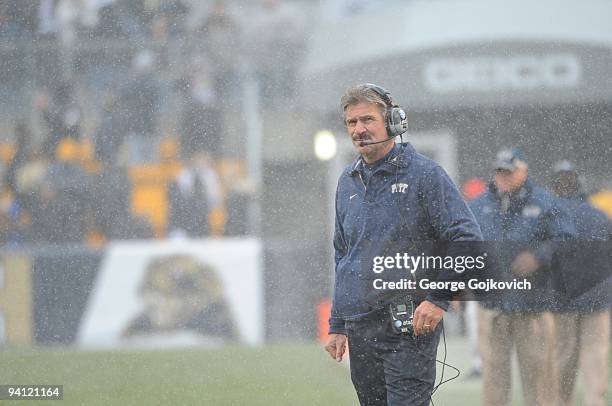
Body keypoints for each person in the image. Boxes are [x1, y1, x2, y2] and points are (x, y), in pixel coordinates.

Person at [324, 84, 482, 405]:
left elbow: (467, 239)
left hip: (408, 322)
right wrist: (338, 322)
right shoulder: (347, 180)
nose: (359, 129)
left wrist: (439, 299)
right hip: (361, 326)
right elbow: (344, 254)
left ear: (394, 122)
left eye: (367, 119)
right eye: (352, 123)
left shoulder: (425, 174)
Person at [469, 148, 575, 406]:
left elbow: (569, 241)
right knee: (494, 381)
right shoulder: (480, 204)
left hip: (533, 306)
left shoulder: (544, 202)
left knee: (539, 380)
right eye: (499, 171)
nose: (503, 176)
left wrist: (539, 257)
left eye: (509, 171)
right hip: (493, 306)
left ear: (524, 171)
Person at [549, 160, 610, 406]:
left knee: (563, 357)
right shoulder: (599, 215)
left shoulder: (551, 217)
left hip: (564, 299)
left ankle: (563, 401)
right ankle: (594, 400)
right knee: (595, 355)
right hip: (598, 297)